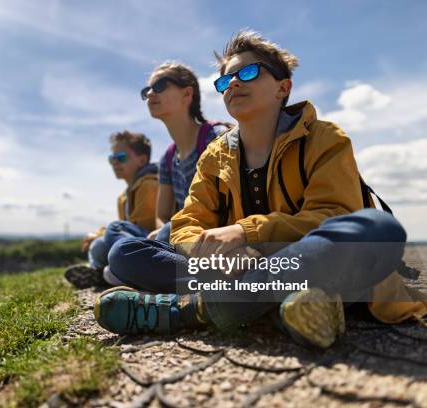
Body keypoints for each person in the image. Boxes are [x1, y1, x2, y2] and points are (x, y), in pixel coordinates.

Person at [94, 30, 427, 348]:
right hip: (238, 269)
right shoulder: (216, 155)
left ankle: (191, 309)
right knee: (125, 253)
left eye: (250, 72)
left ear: (283, 88)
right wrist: (206, 252)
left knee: (379, 229)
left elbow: (334, 214)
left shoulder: (325, 139)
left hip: (309, 261)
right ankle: (281, 308)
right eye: (225, 80)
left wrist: (246, 233)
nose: (234, 82)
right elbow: (185, 222)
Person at [103, 62, 232, 286]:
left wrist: (166, 232)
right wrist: (162, 230)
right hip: (179, 236)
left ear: (187, 93)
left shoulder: (216, 137)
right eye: (147, 91)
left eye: (160, 85)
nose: (151, 93)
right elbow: (161, 214)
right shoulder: (167, 158)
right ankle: (135, 270)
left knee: (122, 251)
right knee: (116, 233)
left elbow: (226, 208)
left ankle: (134, 273)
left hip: (207, 234)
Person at [64, 131, 158, 288]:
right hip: (133, 243)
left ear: (142, 160)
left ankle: (107, 273)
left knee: (99, 246)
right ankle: (104, 274)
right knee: (99, 245)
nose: (115, 162)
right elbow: (127, 227)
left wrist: (102, 234)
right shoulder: (123, 197)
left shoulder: (150, 185)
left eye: (121, 157)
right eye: (111, 158)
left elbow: (144, 228)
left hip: (151, 244)